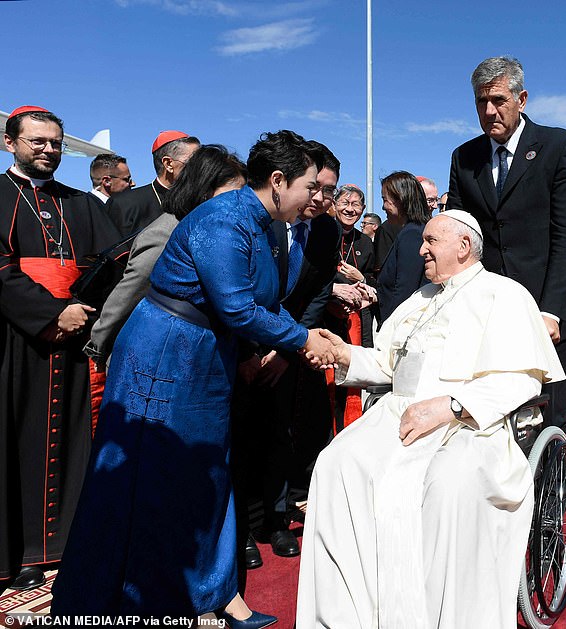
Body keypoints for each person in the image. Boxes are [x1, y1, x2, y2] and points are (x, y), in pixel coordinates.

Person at [50, 130, 335, 626]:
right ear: (278, 180)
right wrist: (303, 340)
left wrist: (296, 334)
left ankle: (211, 591)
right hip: (167, 353)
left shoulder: (263, 223)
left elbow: (258, 304)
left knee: (207, 469)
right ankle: (148, 597)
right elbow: (237, 306)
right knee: (158, 472)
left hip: (207, 353)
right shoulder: (223, 220)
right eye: (310, 186)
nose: (316, 197)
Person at [296, 211, 565, 629]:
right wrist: (344, 354)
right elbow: (389, 364)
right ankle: (349, 616)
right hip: (397, 415)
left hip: (471, 423)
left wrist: (452, 406)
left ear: (463, 246)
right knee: (337, 463)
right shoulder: (418, 299)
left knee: (449, 482)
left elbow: (520, 380)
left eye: (430, 241)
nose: (421, 249)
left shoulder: (505, 295)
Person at [0, 105, 121, 591]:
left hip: (75, 337)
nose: (49, 150)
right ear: (11, 143)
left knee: (74, 438)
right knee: (16, 439)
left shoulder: (80, 202)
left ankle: (67, 541)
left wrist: (79, 311)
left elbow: (109, 264)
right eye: (38, 142)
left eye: (55, 143)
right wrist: (50, 314)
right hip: (15, 339)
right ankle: (21, 550)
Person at [448, 55, 566, 436]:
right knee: (493, 418)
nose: (490, 110)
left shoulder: (557, 146)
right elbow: (459, 234)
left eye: (498, 100)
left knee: (549, 420)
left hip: (550, 310)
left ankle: (553, 493)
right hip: (490, 313)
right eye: (482, 102)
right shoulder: (464, 158)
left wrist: (550, 312)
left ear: (521, 99)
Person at [234, 141, 341, 561]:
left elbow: (317, 292)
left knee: (284, 432)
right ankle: (242, 526)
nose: (319, 198)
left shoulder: (327, 230)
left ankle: (277, 521)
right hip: (248, 344)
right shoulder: (267, 220)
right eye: (314, 187)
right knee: (242, 435)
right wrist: (257, 348)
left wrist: (288, 346)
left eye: (328, 190)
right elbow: (243, 294)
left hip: (291, 346)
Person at [84, 144, 248, 368]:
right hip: (150, 355)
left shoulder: (208, 228)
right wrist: (99, 343)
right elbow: (131, 289)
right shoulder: (170, 230)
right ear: (205, 190)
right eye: (231, 195)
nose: (238, 205)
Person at [326, 184, 376, 431]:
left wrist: (362, 281)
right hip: (325, 318)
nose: (350, 209)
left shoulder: (365, 242)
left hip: (356, 321)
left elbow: (373, 280)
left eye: (356, 205)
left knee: (350, 383)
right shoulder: (323, 232)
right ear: (334, 204)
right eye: (345, 203)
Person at [105, 130, 200, 235]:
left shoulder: (201, 202)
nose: (201, 168)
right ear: (168, 164)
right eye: (194, 163)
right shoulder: (124, 205)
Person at [376, 170, 431, 324]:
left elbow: (405, 289)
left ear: (400, 200)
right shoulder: (413, 230)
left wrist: (391, 328)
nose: (383, 207)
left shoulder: (412, 234)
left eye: (385, 200)